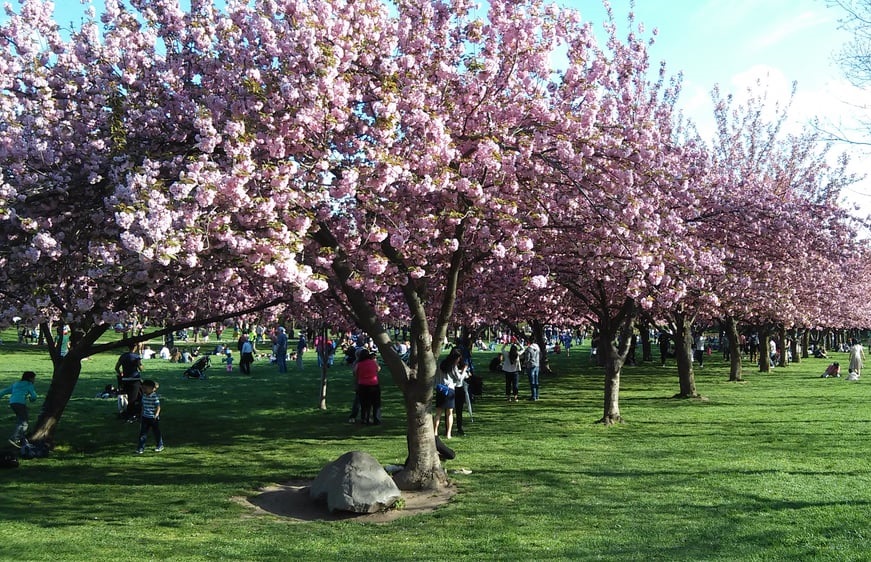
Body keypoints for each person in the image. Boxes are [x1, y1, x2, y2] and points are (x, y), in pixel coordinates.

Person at [433, 348, 467, 439]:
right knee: (449, 413)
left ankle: (435, 432)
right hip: (450, 389)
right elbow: (459, 378)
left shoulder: (441, 363)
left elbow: (435, 375)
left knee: (438, 413)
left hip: (440, 389)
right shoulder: (453, 366)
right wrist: (463, 371)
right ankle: (448, 433)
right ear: (457, 358)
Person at [0, 371, 38, 448]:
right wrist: (31, 399)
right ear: (30, 378)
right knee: (24, 422)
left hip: (12, 403)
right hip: (20, 403)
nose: (34, 380)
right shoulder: (29, 384)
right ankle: (15, 439)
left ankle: (21, 439)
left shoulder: (16, 384)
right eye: (34, 378)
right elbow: (34, 396)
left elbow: (5, 391)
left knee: (20, 420)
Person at [115, 343, 143, 422]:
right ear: (136, 347)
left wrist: (121, 373)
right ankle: (131, 415)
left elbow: (116, 367)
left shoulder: (123, 356)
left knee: (127, 396)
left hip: (125, 379)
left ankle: (128, 412)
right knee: (133, 398)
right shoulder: (136, 357)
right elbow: (140, 368)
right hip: (134, 379)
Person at [136, 379, 164, 454]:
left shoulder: (154, 397)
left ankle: (160, 445)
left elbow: (158, 407)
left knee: (156, 432)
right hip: (145, 417)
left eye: (145, 388)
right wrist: (141, 415)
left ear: (152, 388)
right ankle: (140, 448)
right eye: (143, 388)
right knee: (143, 433)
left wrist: (156, 415)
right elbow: (143, 406)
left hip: (153, 418)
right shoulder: (144, 396)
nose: (144, 390)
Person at [354, 349, 381, 425]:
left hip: (363, 385)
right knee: (376, 403)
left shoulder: (359, 364)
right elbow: (378, 369)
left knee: (364, 403)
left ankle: (365, 419)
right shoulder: (373, 362)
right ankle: (377, 419)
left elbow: (355, 373)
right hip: (374, 384)